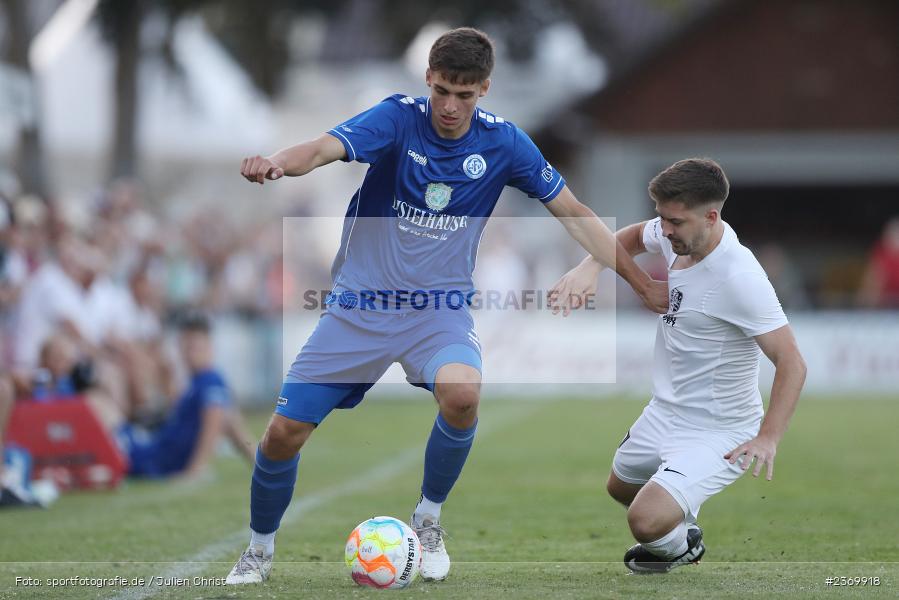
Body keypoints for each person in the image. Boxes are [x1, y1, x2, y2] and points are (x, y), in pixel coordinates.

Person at [228, 27, 668, 585]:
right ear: (427, 81)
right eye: (441, 91)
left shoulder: (505, 143)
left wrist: (636, 281)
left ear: (484, 88)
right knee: (282, 435)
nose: (451, 107)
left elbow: (575, 212)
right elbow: (320, 149)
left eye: (465, 94)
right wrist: (275, 162)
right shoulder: (396, 117)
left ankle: (428, 520)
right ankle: (259, 550)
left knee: (463, 393)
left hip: (437, 311)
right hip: (358, 307)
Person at [550, 158, 807, 573]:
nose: (665, 231)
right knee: (620, 487)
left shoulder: (739, 278)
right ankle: (679, 523)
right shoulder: (679, 234)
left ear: (711, 216)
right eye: (662, 219)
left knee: (644, 520)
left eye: (674, 222)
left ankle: (682, 546)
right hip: (666, 411)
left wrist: (768, 438)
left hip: (720, 428)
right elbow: (631, 235)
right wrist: (590, 266)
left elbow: (792, 362)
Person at [118, 312, 254, 479]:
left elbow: (214, 422)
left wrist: (196, 470)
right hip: (155, 450)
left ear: (209, 347)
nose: (188, 354)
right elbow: (228, 421)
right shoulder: (195, 383)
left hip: (154, 459)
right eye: (185, 347)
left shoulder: (210, 380)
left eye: (194, 347)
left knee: (106, 418)